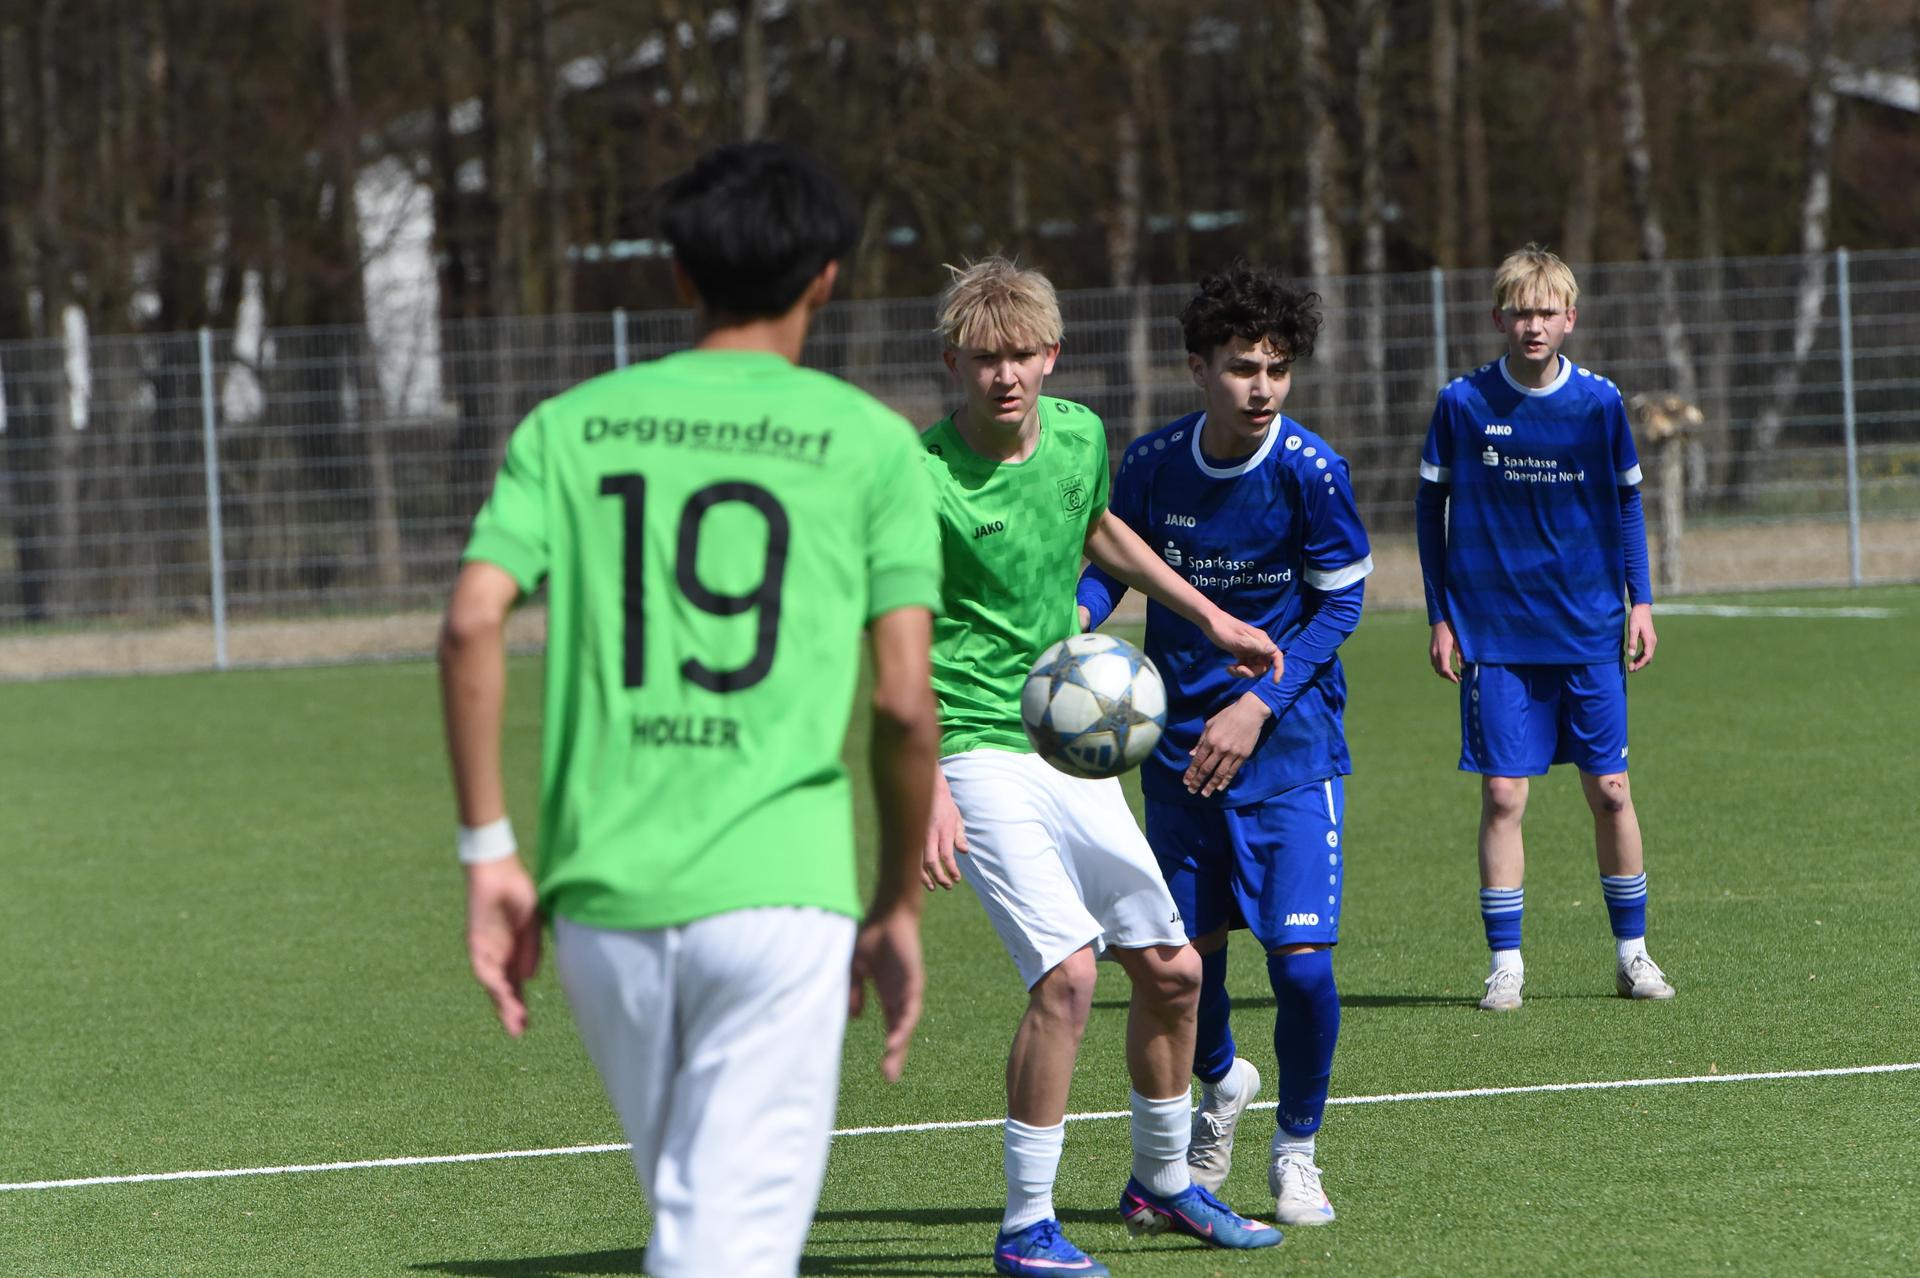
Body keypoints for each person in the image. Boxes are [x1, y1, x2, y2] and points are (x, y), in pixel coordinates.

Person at [438, 141, 943, 1278]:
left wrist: (488, 851)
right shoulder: (871, 444)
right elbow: (907, 705)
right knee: (726, 1250)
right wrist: (897, 904)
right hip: (781, 896)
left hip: (604, 901)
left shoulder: (569, 426)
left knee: (695, 1222)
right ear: (827, 275)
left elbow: (472, 622)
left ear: (677, 276)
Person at [919, 256, 1284, 1277]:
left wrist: (1210, 617)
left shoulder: (1078, 435)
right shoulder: (919, 479)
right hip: (971, 747)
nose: (1005, 375)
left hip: (1066, 746)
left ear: (1050, 356)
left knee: (1173, 971)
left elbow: (1099, 533)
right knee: (1069, 976)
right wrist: (916, 795)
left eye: (1021, 355)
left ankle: (1163, 1186)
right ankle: (1026, 1226)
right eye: (984, 358)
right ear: (956, 362)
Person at [1077, 264, 1371, 1227]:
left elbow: (1342, 604)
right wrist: (1073, 642)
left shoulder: (1309, 471)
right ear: (1196, 366)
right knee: (1183, 967)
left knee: (1303, 968)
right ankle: (1220, 1083)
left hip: (1287, 754)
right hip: (1175, 756)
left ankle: (1297, 1152)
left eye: (1278, 370)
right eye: (1242, 367)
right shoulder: (1154, 464)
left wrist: (1262, 703)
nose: (1261, 388)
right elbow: (1111, 580)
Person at [1414, 242, 1675, 1013]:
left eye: (1547, 312)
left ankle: (1632, 955)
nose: (1533, 325)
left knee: (1613, 791)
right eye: (1520, 312)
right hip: (1494, 634)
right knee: (1502, 796)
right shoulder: (1462, 404)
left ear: (1570, 318)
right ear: (1500, 317)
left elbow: (1628, 501)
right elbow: (1430, 513)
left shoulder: (1599, 403)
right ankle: (1506, 965)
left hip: (1588, 628)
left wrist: (1642, 600)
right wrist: (1440, 615)